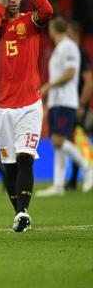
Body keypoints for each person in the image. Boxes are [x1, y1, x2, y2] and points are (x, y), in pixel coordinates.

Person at [0, 0, 53, 232]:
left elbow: (47, 11)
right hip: (0, 107)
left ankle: (22, 213)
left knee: (25, 158)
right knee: (10, 165)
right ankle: (19, 214)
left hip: (29, 105)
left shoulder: (31, 23)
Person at [37, 17, 93, 196]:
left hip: (66, 101)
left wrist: (49, 86)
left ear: (53, 30)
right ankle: (59, 185)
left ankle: (88, 168)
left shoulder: (69, 46)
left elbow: (70, 73)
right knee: (58, 144)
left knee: (59, 141)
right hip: (56, 101)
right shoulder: (59, 48)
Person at [64, 21, 93, 191]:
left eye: (68, 34)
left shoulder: (80, 53)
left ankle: (84, 172)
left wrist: (82, 104)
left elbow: (89, 81)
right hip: (71, 102)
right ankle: (74, 179)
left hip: (77, 103)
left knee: (76, 138)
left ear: (74, 34)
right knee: (72, 139)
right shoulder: (71, 52)